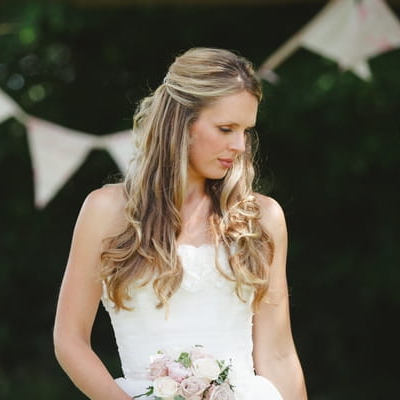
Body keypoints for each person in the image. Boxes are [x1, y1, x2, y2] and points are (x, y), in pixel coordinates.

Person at [53, 47, 307, 400]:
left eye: (245, 131)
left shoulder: (261, 219)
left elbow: (278, 353)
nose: (239, 145)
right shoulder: (106, 210)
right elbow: (69, 339)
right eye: (225, 128)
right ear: (182, 123)